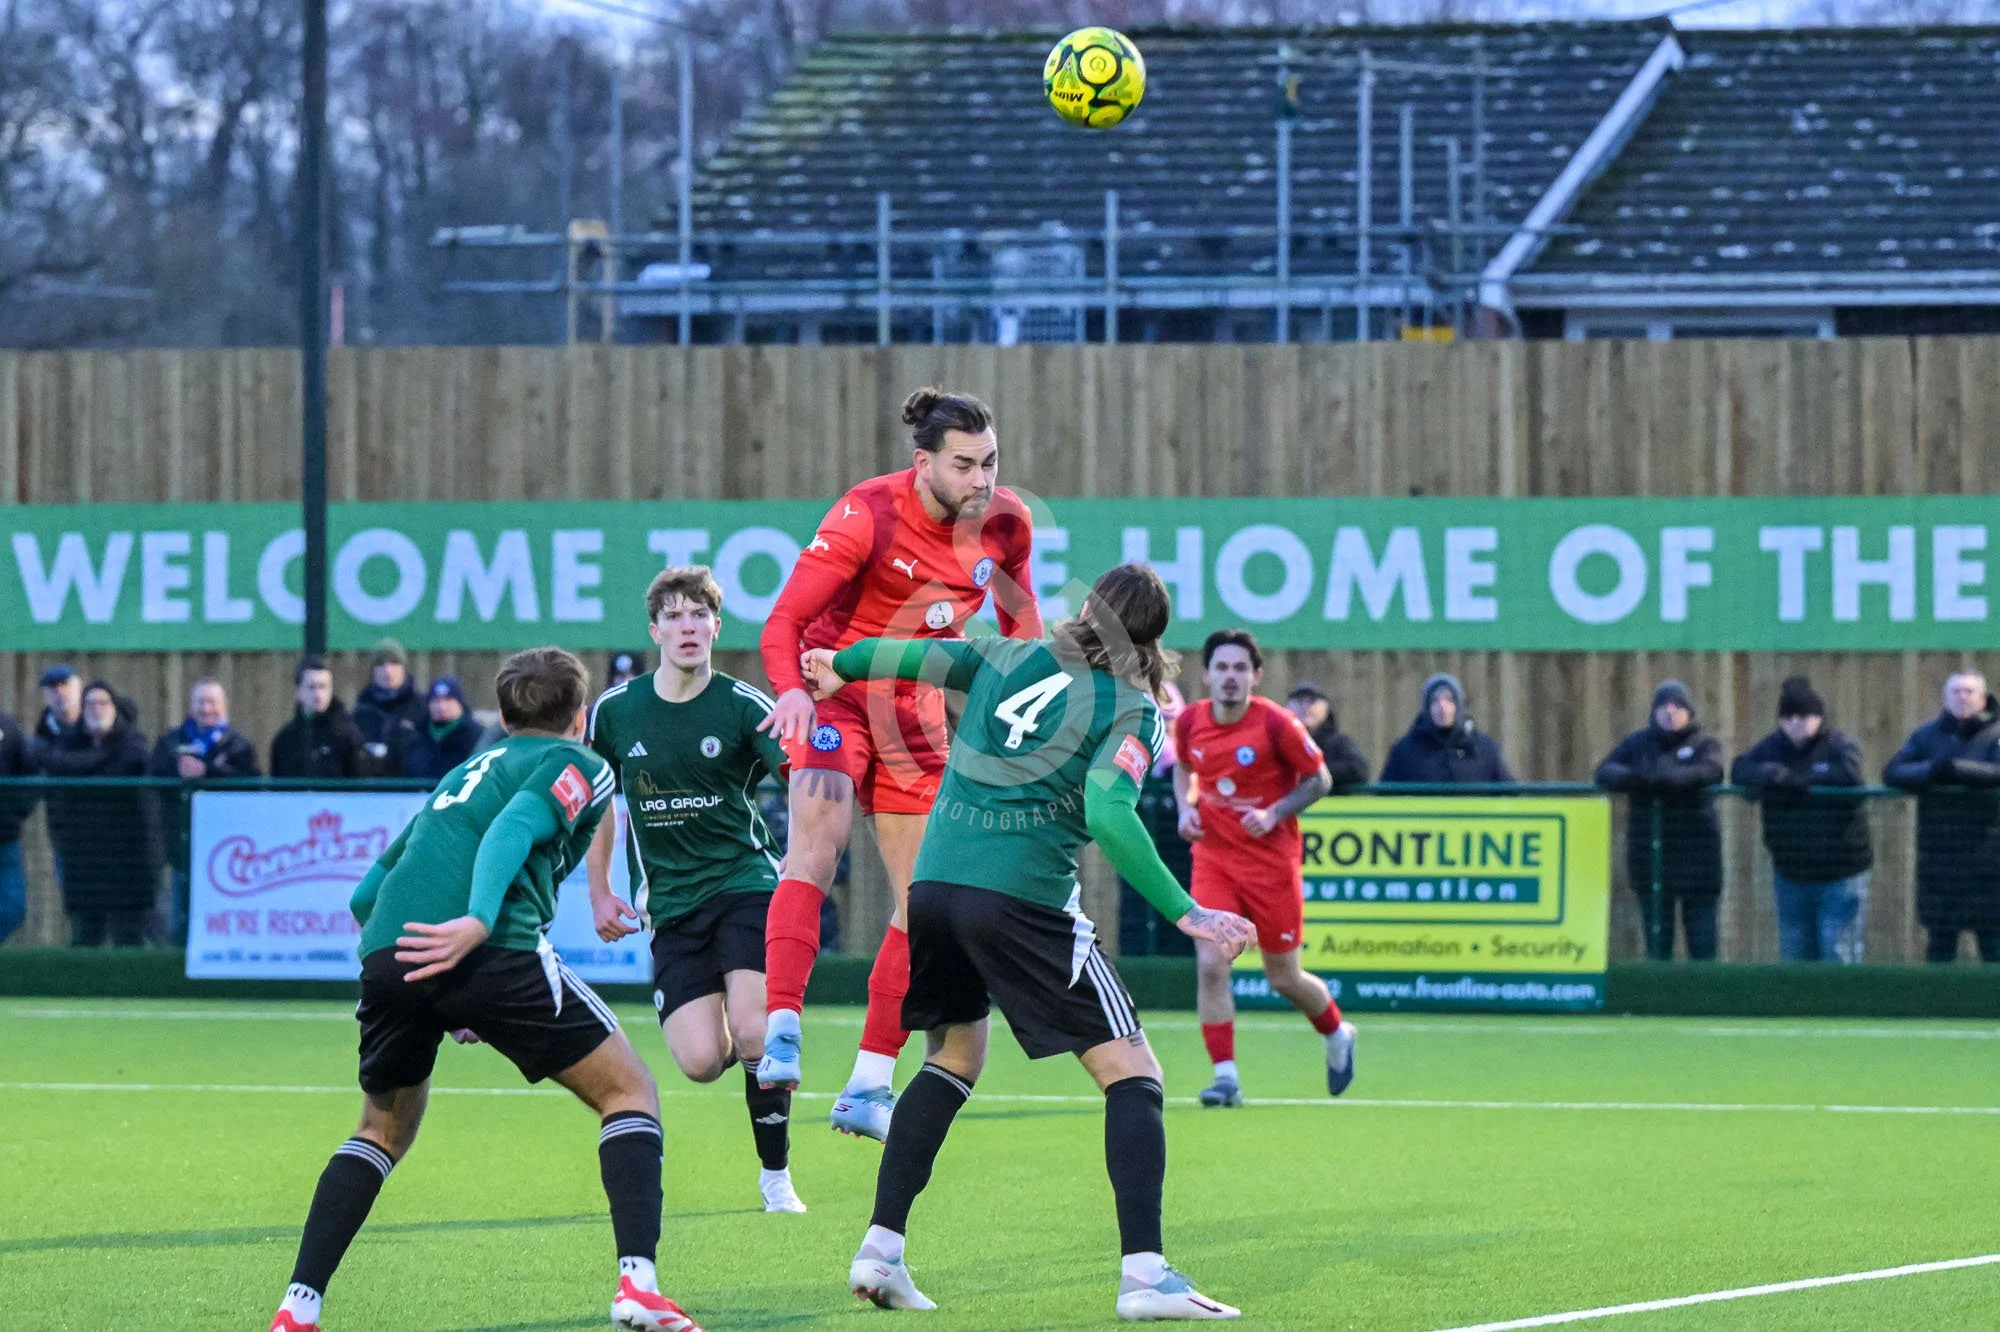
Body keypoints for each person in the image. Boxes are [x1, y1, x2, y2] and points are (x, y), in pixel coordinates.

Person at [800, 564, 1253, 1321]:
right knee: (1134, 1074)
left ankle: (880, 1251)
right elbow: (1108, 813)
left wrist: (835, 665)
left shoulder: (1006, 654)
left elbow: (899, 653)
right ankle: (1145, 1277)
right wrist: (1186, 912)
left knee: (953, 1058)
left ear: (1086, 609)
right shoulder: (1132, 708)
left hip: (934, 890)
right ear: (1152, 639)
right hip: (1020, 899)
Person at [266, 647, 702, 1332]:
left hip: (391, 955)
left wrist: (435, 987)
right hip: (489, 946)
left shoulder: (461, 774)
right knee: (629, 1091)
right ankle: (638, 1287)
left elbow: (366, 893)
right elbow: (515, 827)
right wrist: (475, 922)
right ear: (580, 717)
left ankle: (298, 1308)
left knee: (379, 1131)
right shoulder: (581, 762)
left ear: (502, 718)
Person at [751, 386, 1042, 1141]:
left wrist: (1033, 706)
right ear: (923, 463)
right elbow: (784, 620)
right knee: (816, 848)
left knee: (926, 902)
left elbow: (1023, 630)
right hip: (835, 696)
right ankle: (781, 1030)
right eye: (965, 465)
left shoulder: (1007, 523)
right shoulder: (866, 513)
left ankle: (868, 1084)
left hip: (916, 719)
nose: (982, 479)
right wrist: (791, 693)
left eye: (990, 462)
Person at [586, 567, 806, 1215]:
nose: (688, 627)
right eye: (674, 617)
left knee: (756, 1033)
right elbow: (598, 802)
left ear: (716, 627)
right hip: (670, 906)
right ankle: (743, 1029)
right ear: (655, 630)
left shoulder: (744, 705)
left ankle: (776, 1178)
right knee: (702, 1061)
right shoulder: (615, 712)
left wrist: (801, 859)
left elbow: (805, 778)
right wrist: (599, 891)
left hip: (745, 884)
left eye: (699, 615)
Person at [1174, 630, 1353, 1108]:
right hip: (1213, 859)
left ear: (1256, 676)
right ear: (1206, 674)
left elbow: (1320, 780)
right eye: (1221, 667)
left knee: (1284, 978)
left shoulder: (1277, 724)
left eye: (1240, 668)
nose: (1230, 677)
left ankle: (1337, 1033)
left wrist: (1274, 813)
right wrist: (1185, 807)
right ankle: (1225, 1078)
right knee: (1211, 963)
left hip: (1271, 865)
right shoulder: (1190, 721)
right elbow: (1183, 769)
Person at [1730, 677, 1872, 963]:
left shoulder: (1839, 745)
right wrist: (1772, 773)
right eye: (1788, 717)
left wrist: (1800, 780)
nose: (1796, 723)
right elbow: (1740, 770)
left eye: (1804, 716)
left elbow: (1850, 775)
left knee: (1838, 953)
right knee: (1795, 955)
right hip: (1790, 872)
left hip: (1841, 872)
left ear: (1818, 718)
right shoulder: (1772, 748)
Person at [1593, 680, 1725, 961]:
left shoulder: (1704, 744)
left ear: (1689, 712)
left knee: (1703, 947)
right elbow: (1604, 771)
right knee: (1657, 947)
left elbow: (1712, 770)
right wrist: (1637, 779)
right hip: (1651, 863)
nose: (1670, 711)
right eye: (1663, 705)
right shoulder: (1638, 744)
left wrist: (1668, 780)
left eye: (1677, 705)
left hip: (1699, 864)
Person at [1883, 670, 2000, 963]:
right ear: (1946, 698)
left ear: (1983, 697)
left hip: (1990, 856)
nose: (1962, 697)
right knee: (1940, 942)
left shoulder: (1996, 734)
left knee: (1993, 942)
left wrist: (1957, 770)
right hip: (1939, 858)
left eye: (1969, 691)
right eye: (1956, 692)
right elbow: (1893, 772)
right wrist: (1932, 770)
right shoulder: (1926, 735)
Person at [38, 680, 159, 948]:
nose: (96, 709)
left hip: (127, 859)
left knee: (128, 936)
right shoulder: (69, 745)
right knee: (86, 936)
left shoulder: (133, 746)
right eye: (90, 704)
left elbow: (128, 767)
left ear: (115, 708)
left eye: (103, 703)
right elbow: (58, 766)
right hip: (83, 858)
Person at [149, 679, 261, 945]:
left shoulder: (238, 745)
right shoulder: (171, 742)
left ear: (224, 706)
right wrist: (178, 771)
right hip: (180, 843)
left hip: (226, 848)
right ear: (191, 706)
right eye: (201, 702)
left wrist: (208, 772)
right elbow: (154, 775)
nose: (206, 708)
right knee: (181, 909)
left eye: (212, 702)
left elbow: (251, 783)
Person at [1378, 673, 1514, 784]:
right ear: (1426, 707)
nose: (1442, 707)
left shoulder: (1484, 749)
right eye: (1435, 700)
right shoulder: (1404, 752)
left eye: (1449, 700)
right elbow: (1383, 798)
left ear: (1459, 705)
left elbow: (1510, 795)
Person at [270, 657, 368, 780]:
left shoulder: (348, 736)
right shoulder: (284, 740)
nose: (318, 694)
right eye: (311, 687)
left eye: (323, 687)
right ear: (298, 691)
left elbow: (360, 784)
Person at [352, 639, 426, 773]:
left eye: (394, 663)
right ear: (373, 671)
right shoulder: (362, 709)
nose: (387, 671)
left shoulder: (421, 707)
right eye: (381, 664)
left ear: (404, 668)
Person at [0, 705, 39, 944]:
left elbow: (30, 771)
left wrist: (18, 810)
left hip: (5, 839)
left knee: (14, 907)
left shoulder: (6, 726)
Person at [394, 677, 485, 781]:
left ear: (460, 703)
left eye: (448, 700)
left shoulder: (477, 737)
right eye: (436, 701)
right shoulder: (415, 735)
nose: (441, 707)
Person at [1284, 682, 1370, 787]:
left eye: (1311, 701)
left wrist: (1313, 771)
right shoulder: (1278, 744)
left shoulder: (1339, 743)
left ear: (1325, 709)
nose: (1305, 707)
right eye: (1299, 701)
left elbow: (1358, 770)